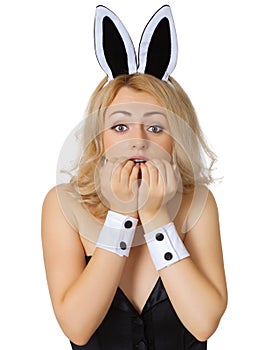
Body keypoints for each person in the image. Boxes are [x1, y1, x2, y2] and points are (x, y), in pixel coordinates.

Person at [41, 5, 227, 350]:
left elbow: (203, 325)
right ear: (100, 136)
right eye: (120, 126)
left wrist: (157, 219)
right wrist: (123, 213)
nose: (137, 140)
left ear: (176, 139)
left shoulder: (197, 203)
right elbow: (77, 328)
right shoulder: (63, 204)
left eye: (156, 127)